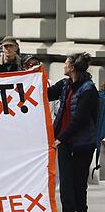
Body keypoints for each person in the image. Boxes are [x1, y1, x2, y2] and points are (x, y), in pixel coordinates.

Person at [48, 53, 99, 212]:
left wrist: (61, 138)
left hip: (82, 144)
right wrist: (33, 76)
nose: (63, 66)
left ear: (72, 68)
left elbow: (81, 119)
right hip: (64, 144)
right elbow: (47, 94)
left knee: (78, 186)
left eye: (65, 64)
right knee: (66, 188)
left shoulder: (88, 89)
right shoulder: (65, 84)